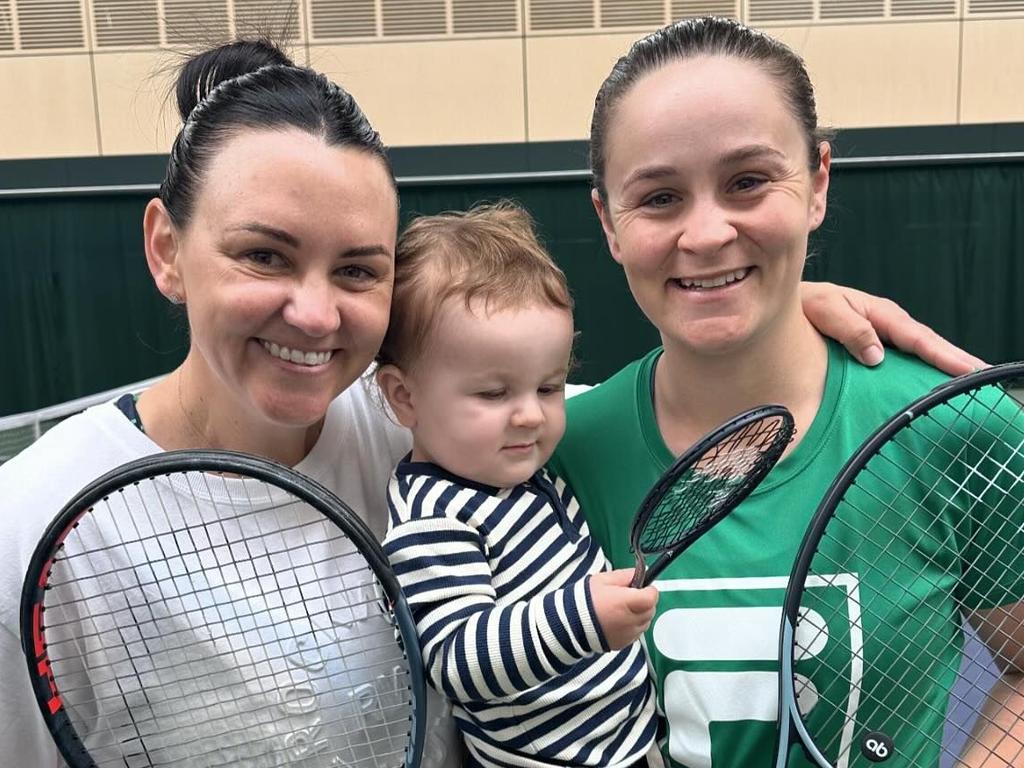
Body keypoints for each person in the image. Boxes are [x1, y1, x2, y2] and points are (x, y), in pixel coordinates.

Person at [0, 34, 985, 768]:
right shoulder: (28, 529)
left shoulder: (426, 428)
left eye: (357, 268)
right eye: (261, 254)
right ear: (168, 248)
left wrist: (780, 307)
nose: (311, 308)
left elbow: (546, 376)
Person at [548, 17, 1022, 768]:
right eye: (660, 197)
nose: (705, 233)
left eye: (747, 182)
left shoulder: (961, 430)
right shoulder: (556, 452)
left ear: (818, 183)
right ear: (608, 221)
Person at [375, 202, 660, 768]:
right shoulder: (433, 515)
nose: (530, 414)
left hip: (632, 740)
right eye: (493, 394)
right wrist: (581, 618)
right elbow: (456, 662)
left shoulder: (523, 471)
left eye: (549, 387)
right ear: (404, 397)